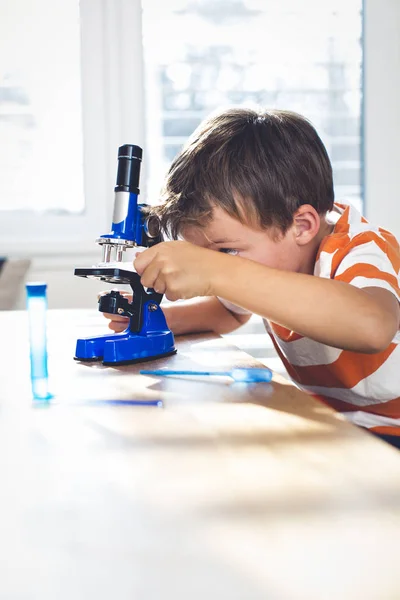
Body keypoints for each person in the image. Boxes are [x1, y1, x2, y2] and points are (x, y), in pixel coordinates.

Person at [105, 107, 400, 447]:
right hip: (338, 423)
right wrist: (157, 319)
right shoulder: (266, 258)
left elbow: (373, 326)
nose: (217, 265)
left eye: (226, 252)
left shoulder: (362, 248)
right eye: (203, 253)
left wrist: (214, 271)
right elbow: (231, 310)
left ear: (301, 226)